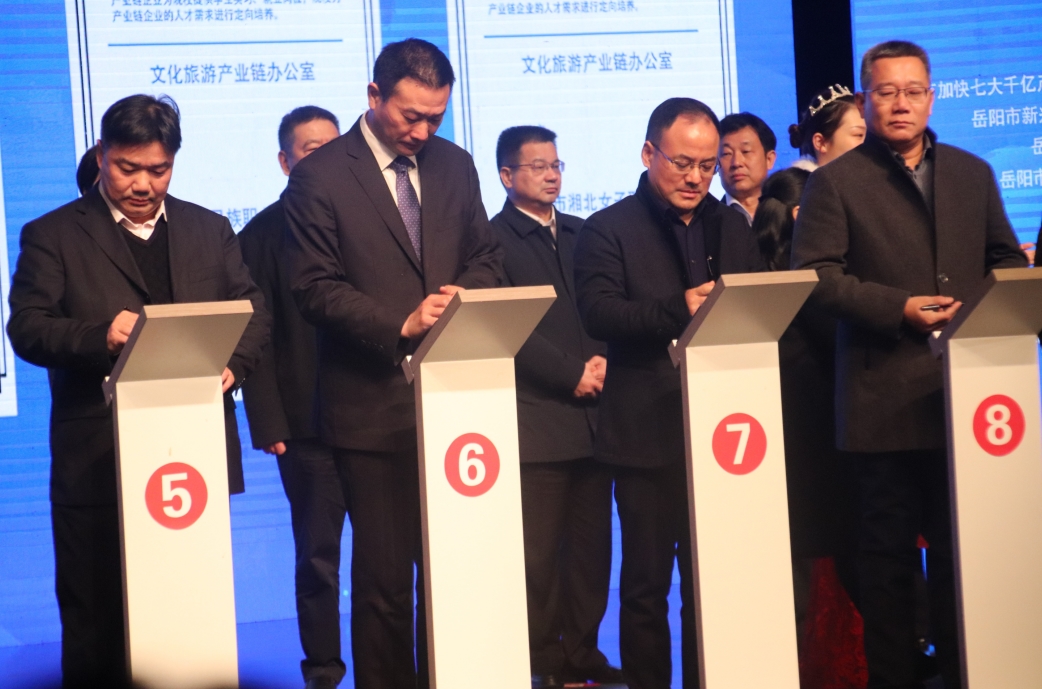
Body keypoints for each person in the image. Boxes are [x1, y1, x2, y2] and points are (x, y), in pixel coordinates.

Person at [6, 94, 270, 689]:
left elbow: (253, 311)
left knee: (191, 610)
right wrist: (100, 334)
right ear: (102, 155)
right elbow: (28, 327)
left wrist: (234, 367)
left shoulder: (208, 228)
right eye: (128, 168)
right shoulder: (53, 234)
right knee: (98, 619)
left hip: (193, 459)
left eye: (159, 170)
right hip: (98, 458)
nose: (144, 185)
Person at [791, 40, 1027, 689]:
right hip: (881, 405)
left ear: (932, 96)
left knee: (961, 559)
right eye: (887, 92)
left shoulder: (972, 172)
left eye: (913, 91)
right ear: (865, 99)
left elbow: (1005, 261)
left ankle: (962, 674)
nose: (901, 104)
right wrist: (897, 308)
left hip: (964, 405)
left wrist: (1001, 296)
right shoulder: (836, 180)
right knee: (887, 567)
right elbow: (815, 278)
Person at [283, 39, 503, 689]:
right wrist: (399, 323)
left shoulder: (455, 166)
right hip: (370, 409)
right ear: (375, 95)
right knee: (383, 581)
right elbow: (312, 287)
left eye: (436, 117)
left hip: (457, 406)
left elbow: (487, 257)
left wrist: (465, 293)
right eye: (411, 116)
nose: (423, 132)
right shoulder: (321, 176)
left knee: (455, 569)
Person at [573, 97, 764, 689]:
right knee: (646, 585)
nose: (696, 177)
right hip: (645, 435)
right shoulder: (608, 228)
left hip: (724, 434)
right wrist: (677, 308)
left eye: (707, 165)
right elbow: (599, 313)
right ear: (648, 153)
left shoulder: (728, 224)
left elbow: (755, 304)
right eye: (682, 163)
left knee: (714, 581)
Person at [490, 125, 620, 689]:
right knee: (538, 555)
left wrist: (605, 360)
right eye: (538, 166)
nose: (551, 175)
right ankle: (543, 658)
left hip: (598, 419)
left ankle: (583, 653)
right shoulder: (490, 241)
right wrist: (571, 374)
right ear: (506, 175)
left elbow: (606, 301)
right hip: (538, 417)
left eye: (556, 165)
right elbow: (507, 327)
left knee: (592, 552)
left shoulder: (583, 232)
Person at [237, 105, 344, 689]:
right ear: (285, 161)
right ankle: (323, 669)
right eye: (311, 150)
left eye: (334, 147)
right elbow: (256, 334)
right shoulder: (259, 235)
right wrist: (268, 420)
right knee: (318, 556)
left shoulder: (366, 218)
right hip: (306, 428)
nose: (326, 159)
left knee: (395, 553)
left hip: (381, 419)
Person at [752, 168, 861, 652]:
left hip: (779, 439)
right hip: (829, 435)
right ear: (803, 215)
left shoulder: (756, 274)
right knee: (853, 556)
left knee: (793, 564)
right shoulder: (818, 285)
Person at [788, 84, 867, 171]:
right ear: (820, 142)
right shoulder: (804, 181)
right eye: (859, 134)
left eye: (869, 135)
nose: (868, 141)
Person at [718, 112, 777, 224]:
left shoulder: (791, 213)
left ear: (769, 159)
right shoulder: (707, 221)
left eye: (746, 151)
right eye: (726, 153)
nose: (736, 163)